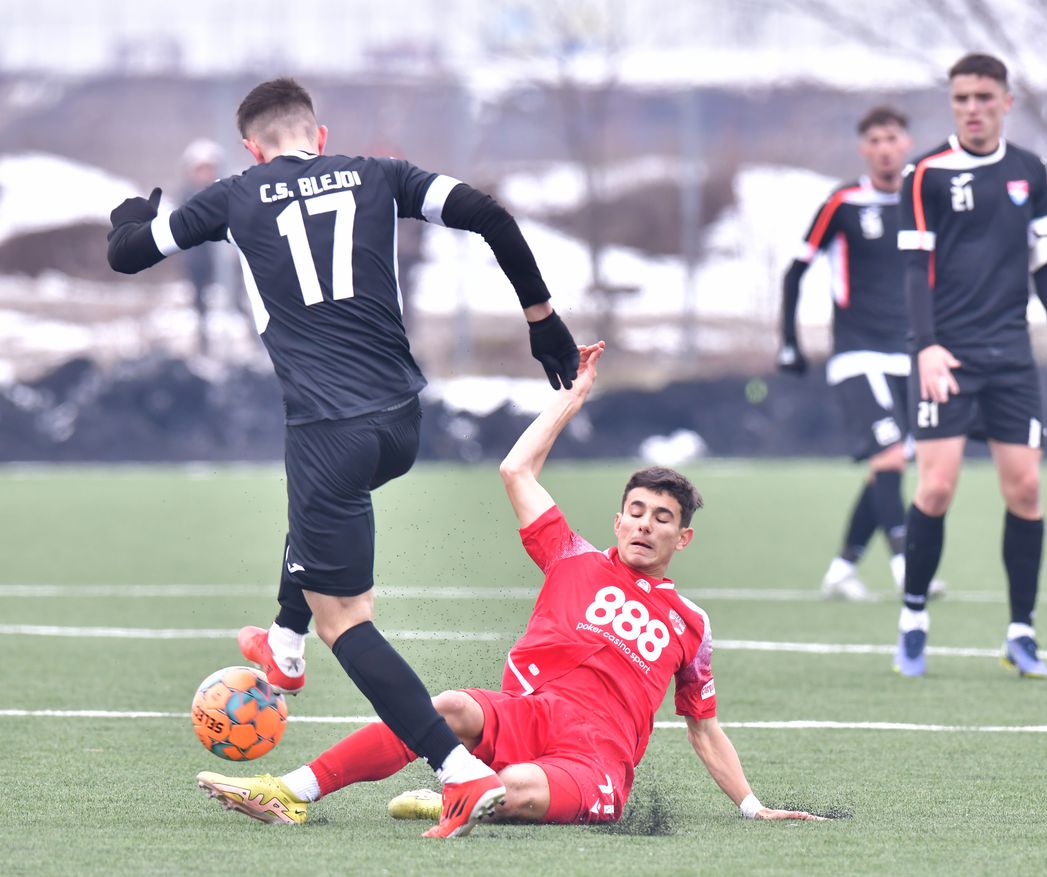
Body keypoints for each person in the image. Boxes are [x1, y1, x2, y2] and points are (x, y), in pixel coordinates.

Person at [107, 77, 582, 837]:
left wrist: (130, 217)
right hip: (399, 422)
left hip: (328, 431)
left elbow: (130, 253)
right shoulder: (378, 174)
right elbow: (489, 214)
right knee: (310, 518)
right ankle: (284, 647)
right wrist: (543, 321)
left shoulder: (235, 194)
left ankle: (458, 771)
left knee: (349, 622)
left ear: (250, 148)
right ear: (318, 135)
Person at [196, 342, 827, 829]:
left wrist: (751, 806)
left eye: (662, 518)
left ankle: (467, 788)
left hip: (594, 761)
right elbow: (515, 468)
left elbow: (702, 726)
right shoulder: (573, 556)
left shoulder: (691, 623)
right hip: (526, 715)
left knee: (512, 789)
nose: (645, 525)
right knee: (447, 708)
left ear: (681, 539)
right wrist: (572, 398)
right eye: (636, 510)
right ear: (618, 518)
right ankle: (292, 794)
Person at [893, 54, 1047, 678]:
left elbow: (1044, 262)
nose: (972, 107)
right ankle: (914, 614)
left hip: (1010, 359)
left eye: (983, 96)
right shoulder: (924, 173)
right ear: (953, 104)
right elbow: (915, 268)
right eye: (961, 98)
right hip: (946, 354)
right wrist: (925, 345)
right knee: (937, 487)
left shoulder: (1030, 171)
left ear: (1006, 101)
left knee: (1025, 488)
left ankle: (1021, 633)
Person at [778, 106, 943, 602]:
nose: (884, 148)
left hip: (910, 356)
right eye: (874, 140)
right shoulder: (844, 202)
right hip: (858, 353)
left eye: (892, 138)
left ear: (907, 143)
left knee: (887, 467)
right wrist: (789, 340)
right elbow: (796, 270)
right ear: (863, 149)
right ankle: (906, 565)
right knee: (891, 456)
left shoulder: (922, 203)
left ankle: (842, 569)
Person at [178, 139, 224, 355]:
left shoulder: (226, 193)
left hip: (225, 260)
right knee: (200, 303)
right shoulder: (186, 197)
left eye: (209, 168)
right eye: (200, 169)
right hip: (198, 259)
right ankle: (204, 344)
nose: (205, 174)